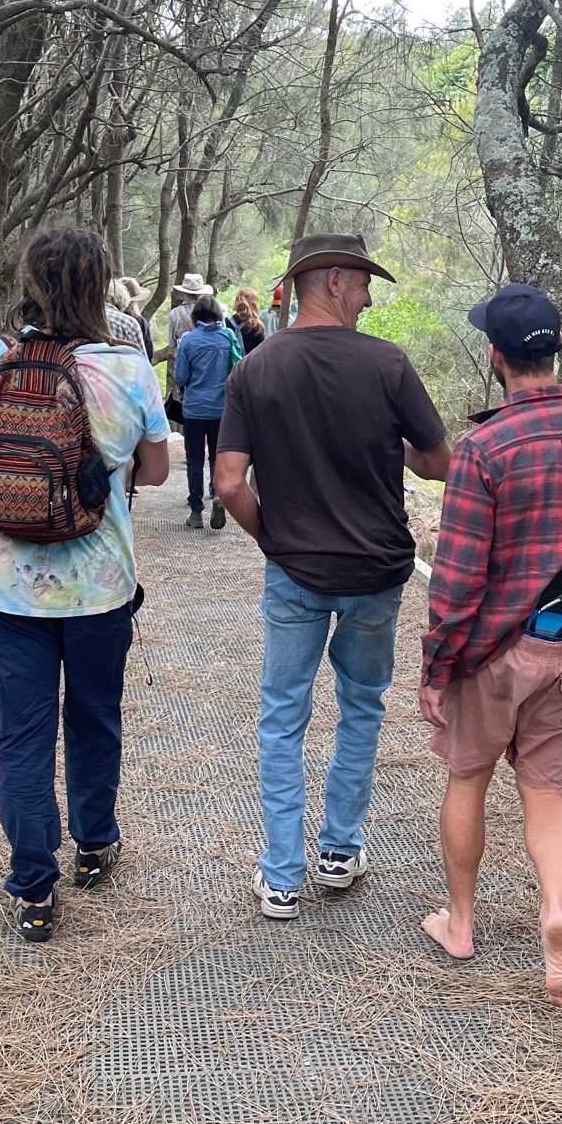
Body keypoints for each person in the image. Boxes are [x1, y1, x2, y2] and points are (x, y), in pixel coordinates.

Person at [0, 226, 171, 944]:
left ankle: (34, 889)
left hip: (8, 590)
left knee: (23, 735)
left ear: (27, 282)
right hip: (100, 587)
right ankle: (95, 844)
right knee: (95, 714)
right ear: (100, 287)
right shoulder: (127, 370)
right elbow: (156, 473)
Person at [216, 233, 451, 920]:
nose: (371, 297)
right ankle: (341, 853)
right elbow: (440, 463)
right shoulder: (388, 364)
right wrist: (395, 447)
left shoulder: (256, 369)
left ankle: (282, 877)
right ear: (339, 281)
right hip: (377, 572)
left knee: (282, 720)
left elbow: (229, 482)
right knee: (362, 709)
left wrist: (274, 540)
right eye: (367, 284)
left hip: (297, 573)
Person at [416, 284, 562, 1007]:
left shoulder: (482, 447)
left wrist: (437, 666)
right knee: (545, 789)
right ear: (555, 351)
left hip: (493, 655)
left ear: (496, 357)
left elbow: (457, 578)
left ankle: (462, 924)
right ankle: (555, 910)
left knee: (467, 777)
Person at [171, 299, 238, 530]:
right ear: (218, 314)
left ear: (196, 316)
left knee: (195, 459)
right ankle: (218, 495)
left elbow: (180, 377)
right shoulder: (227, 336)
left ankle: (196, 512)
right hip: (222, 408)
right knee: (217, 457)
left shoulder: (188, 340)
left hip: (194, 409)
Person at [230, 286, 267, 355]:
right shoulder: (257, 326)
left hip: (230, 365)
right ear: (254, 304)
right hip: (250, 364)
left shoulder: (226, 322)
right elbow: (261, 353)